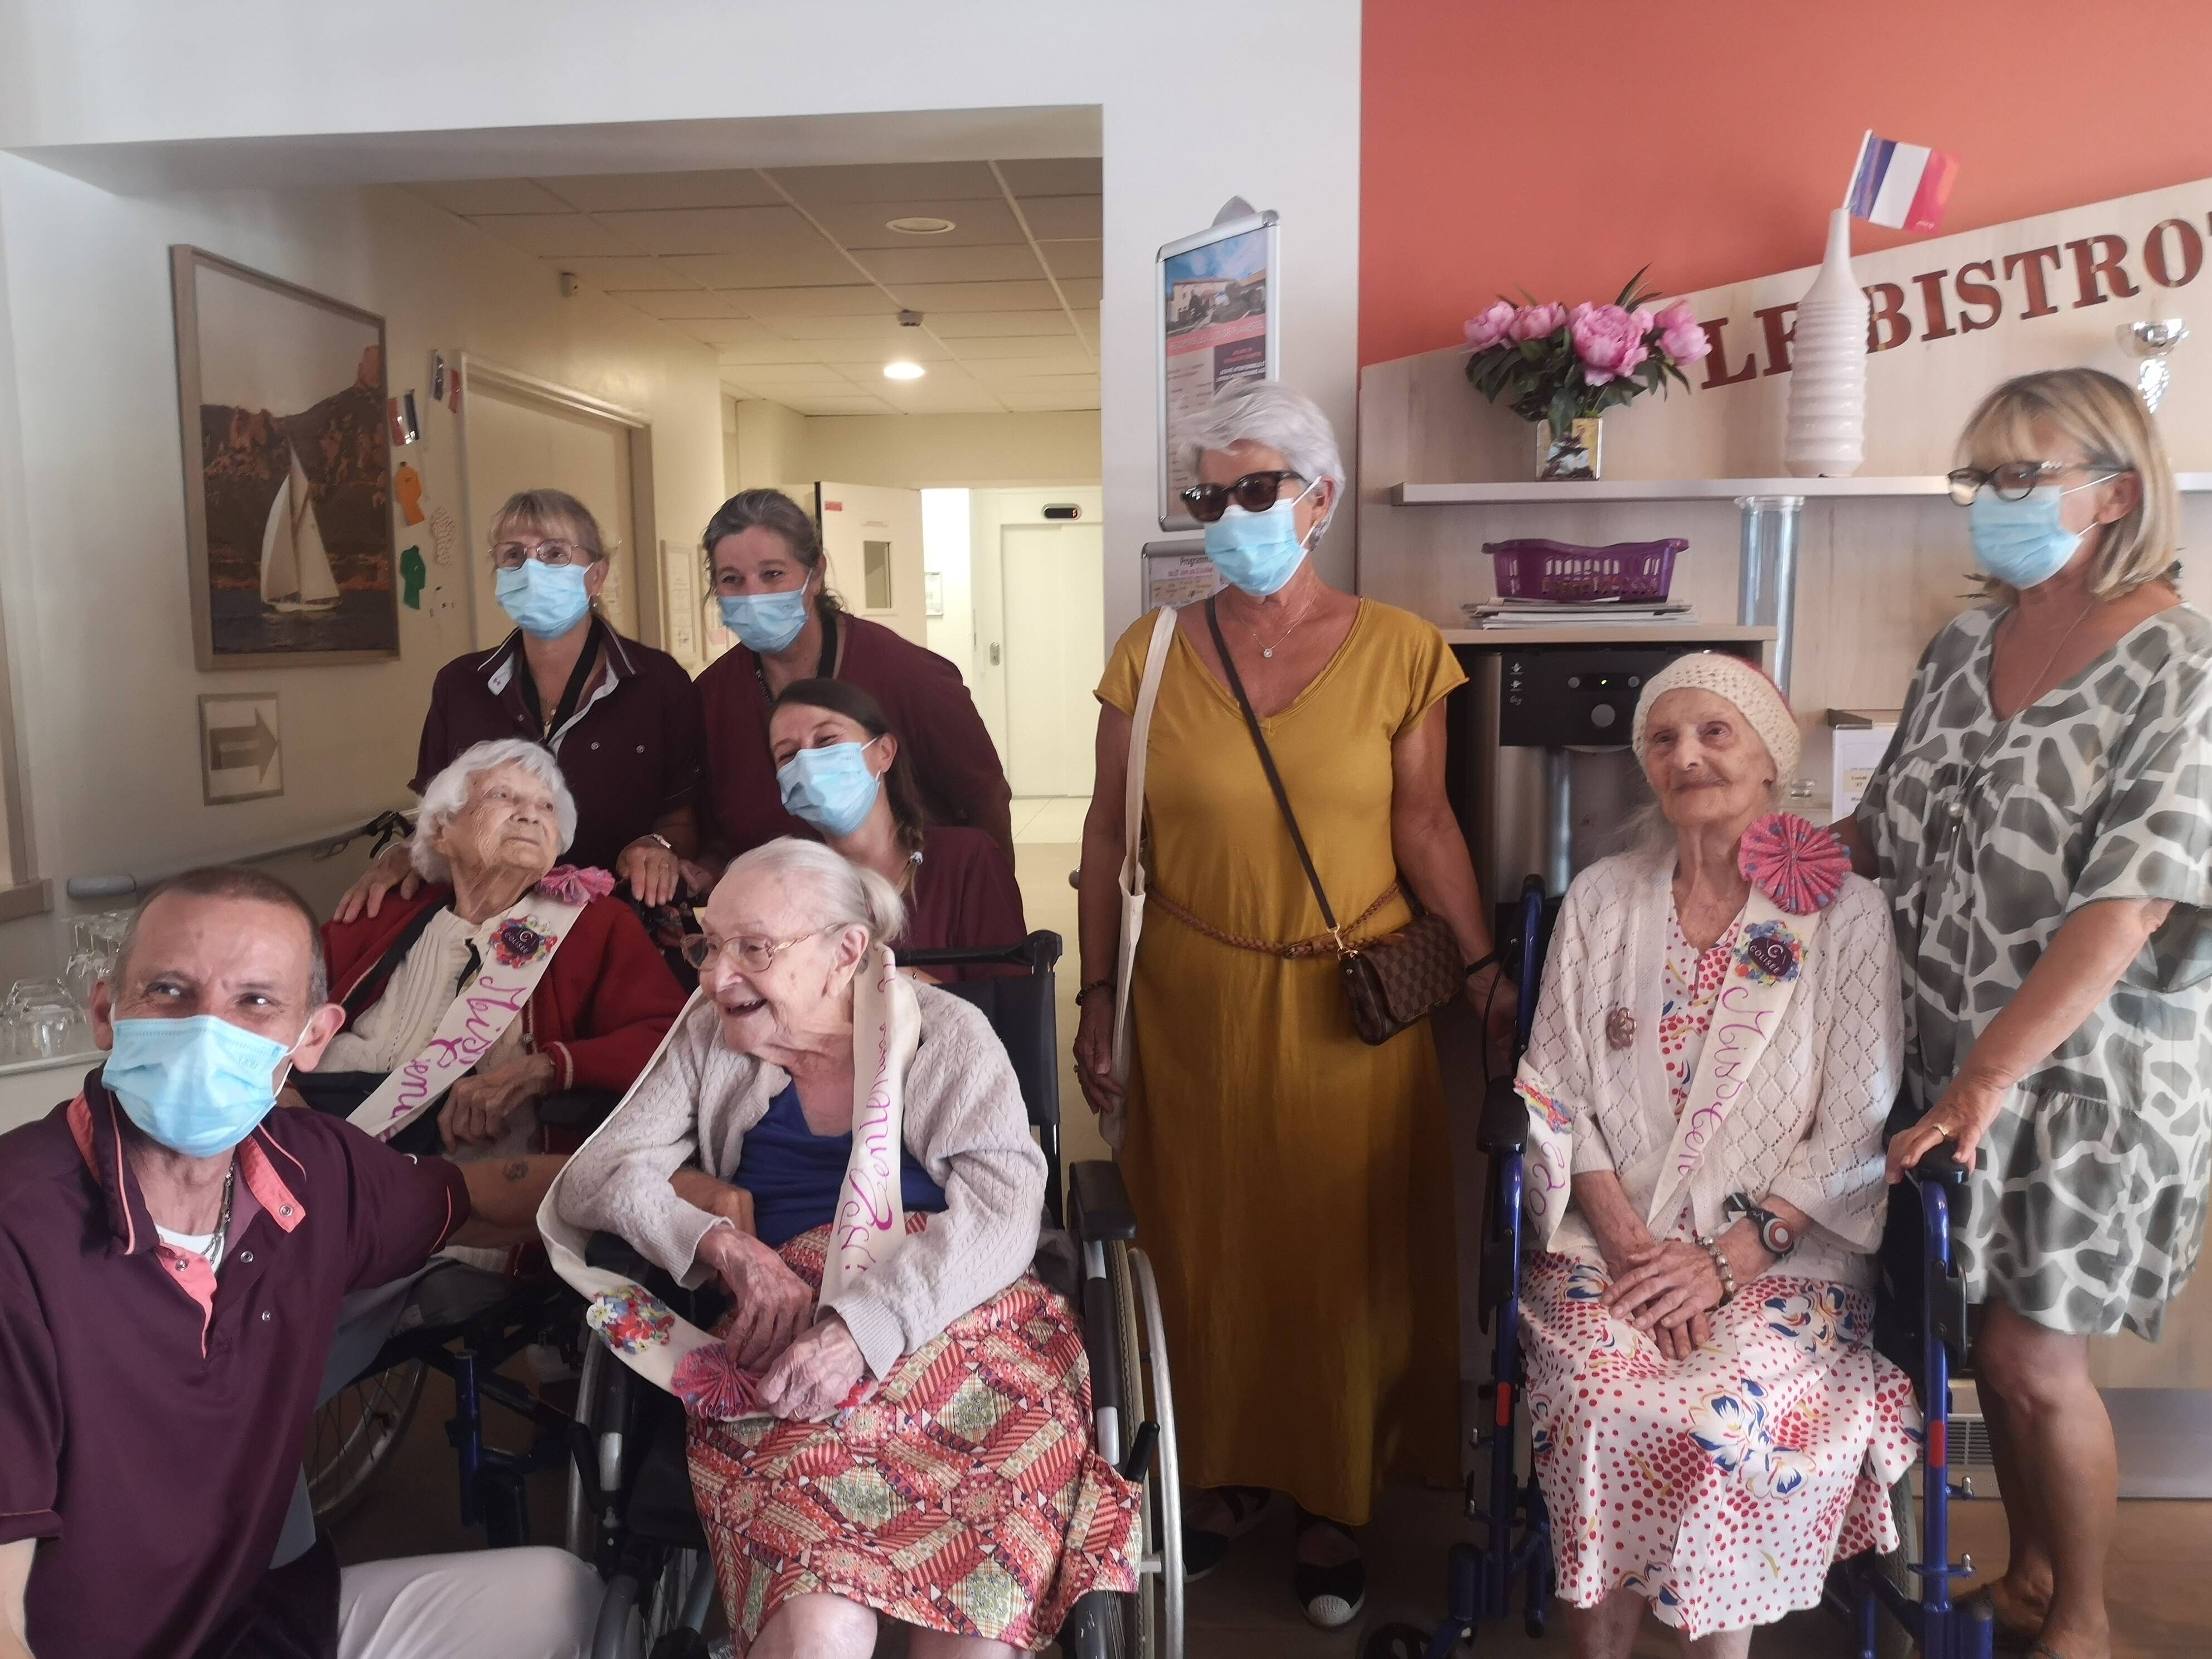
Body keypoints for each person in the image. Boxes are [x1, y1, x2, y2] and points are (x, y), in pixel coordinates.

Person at [1073, 379, 1508, 1626]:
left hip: (1349, 1004)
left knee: (1339, 1256)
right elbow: (1110, 832)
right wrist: (1100, 990)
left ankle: (1334, 1498)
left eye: (1255, 488)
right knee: (1203, 1248)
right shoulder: (1148, 653)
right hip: (1192, 1000)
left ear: (1316, 500)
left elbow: (1425, 825)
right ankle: (1220, 1482)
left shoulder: (1403, 648)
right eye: (1210, 495)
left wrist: (1480, 974)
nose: (1231, 515)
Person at [550, 838, 1136, 1658]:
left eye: (753, 948)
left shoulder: (946, 1035)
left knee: (974, 1637)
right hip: (787, 1344)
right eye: (708, 944)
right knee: (817, 1626)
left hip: (964, 1330)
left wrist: (863, 1328)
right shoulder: (710, 1037)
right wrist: (721, 1243)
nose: (716, 977)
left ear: (846, 952)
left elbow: (1005, 1211)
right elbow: (597, 1176)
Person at [1841, 367, 2212, 1659]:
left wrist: (1983, 1080)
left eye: (2017, 476)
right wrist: (1740, 860)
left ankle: (2086, 1624)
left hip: (2078, 1075)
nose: (1988, 503)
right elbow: (1883, 829)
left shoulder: (2177, 665)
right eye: (1978, 479)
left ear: (2113, 494)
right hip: (1950, 1057)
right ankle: (2030, 1578)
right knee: (1978, 1338)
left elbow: (2128, 904)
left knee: (2030, 1358)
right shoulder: (1963, 645)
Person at [0, 867, 601, 1659]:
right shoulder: (21, 1231)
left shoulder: (310, 1170)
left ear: (313, 1036)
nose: (208, 1030)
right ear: (109, 1014)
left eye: (254, 1003)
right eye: (172, 993)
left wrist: (667, 1196)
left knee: (561, 1599)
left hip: (259, 1621)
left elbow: (482, 1197)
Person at [1514, 655, 1918, 1658]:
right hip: (1609, 1253)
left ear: (1770, 761)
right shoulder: (1603, 899)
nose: (1685, 754)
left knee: (1725, 1424)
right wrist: (1628, 1242)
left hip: (1783, 1263)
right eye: (1662, 737)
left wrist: (1722, 1262)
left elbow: (1855, 1123)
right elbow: (1550, 1092)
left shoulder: (1847, 913)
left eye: (1714, 732)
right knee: (1600, 1399)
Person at [337, 488, 705, 923]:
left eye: (554, 553)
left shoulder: (658, 683)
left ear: (597, 575)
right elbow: (439, 817)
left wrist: (655, 848)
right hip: (484, 922)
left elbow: (684, 823)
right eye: (513, 555)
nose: (531, 569)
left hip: (614, 923)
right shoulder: (461, 685)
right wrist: (409, 854)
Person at [313, 739, 686, 1156]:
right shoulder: (385, 908)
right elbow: (274, 1005)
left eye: (547, 807)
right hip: (325, 1134)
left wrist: (546, 1068)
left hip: (468, 1172)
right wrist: (284, 1091)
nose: (530, 814)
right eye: (502, 796)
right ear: (440, 831)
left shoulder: (596, 926)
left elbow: (672, 1039)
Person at [693, 489, 1013, 868]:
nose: (753, 595)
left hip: (912, 907)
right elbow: (714, 835)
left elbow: (985, 798)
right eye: (732, 580)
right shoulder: (710, 698)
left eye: (773, 574)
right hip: (781, 915)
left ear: (816, 575)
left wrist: (993, 906)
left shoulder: (912, 677)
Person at [769, 677, 1026, 978]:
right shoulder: (786, 885)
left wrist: (894, 982)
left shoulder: (966, 861)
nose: (808, 764)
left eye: (826, 740)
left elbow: (1013, 1004)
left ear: (885, 751)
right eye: (788, 755)